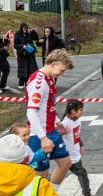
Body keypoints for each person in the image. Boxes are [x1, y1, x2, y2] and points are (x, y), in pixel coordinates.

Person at [25, 49, 75, 186]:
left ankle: (52, 193)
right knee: (42, 173)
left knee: (65, 163)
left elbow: (47, 105)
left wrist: (57, 121)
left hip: (51, 130)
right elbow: (31, 112)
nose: (62, 73)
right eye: (61, 70)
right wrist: (42, 138)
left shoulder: (50, 78)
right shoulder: (38, 83)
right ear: (53, 65)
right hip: (39, 134)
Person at [59, 99, 101, 196]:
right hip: (69, 156)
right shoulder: (65, 124)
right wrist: (59, 133)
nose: (82, 112)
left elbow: (76, 134)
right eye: (81, 110)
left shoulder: (77, 121)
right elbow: (56, 137)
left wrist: (81, 145)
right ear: (73, 111)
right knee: (82, 173)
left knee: (80, 174)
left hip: (75, 154)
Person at [13, 22, 40, 87]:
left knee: (30, 68)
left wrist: (33, 31)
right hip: (22, 53)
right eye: (24, 28)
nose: (25, 29)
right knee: (23, 68)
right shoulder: (17, 34)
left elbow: (36, 38)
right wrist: (22, 46)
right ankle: (21, 84)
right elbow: (15, 45)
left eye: (26, 28)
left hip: (30, 52)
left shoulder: (29, 34)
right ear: (21, 28)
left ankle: (27, 83)